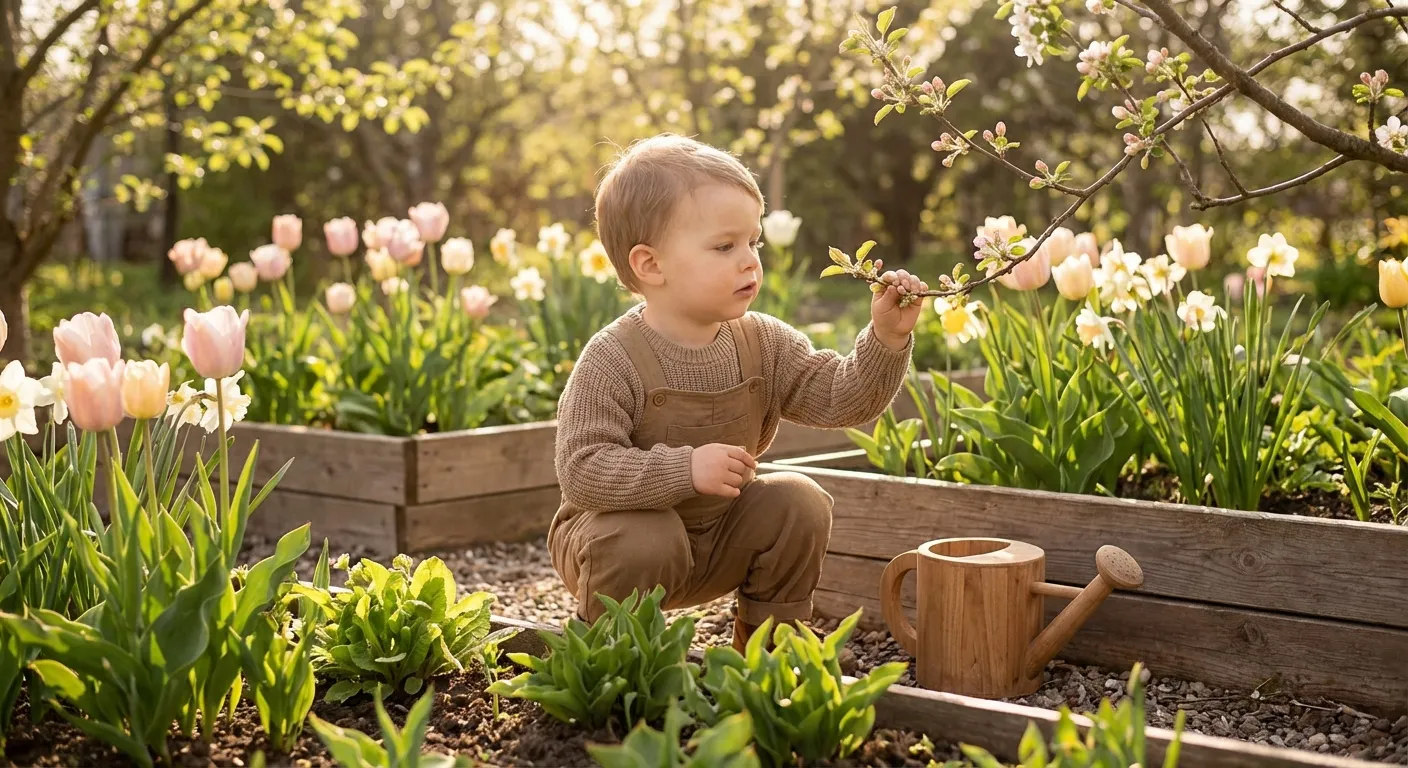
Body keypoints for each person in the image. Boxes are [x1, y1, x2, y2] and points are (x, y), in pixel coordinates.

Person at [548, 133, 927, 652]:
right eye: (725, 246)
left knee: (800, 501)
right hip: (614, 544)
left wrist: (887, 338)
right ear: (650, 265)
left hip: (719, 534)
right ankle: (621, 657)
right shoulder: (613, 358)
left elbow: (843, 398)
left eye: (754, 242)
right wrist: (685, 469)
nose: (749, 261)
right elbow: (582, 469)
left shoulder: (762, 342)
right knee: (645, 538)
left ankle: (768, 651)